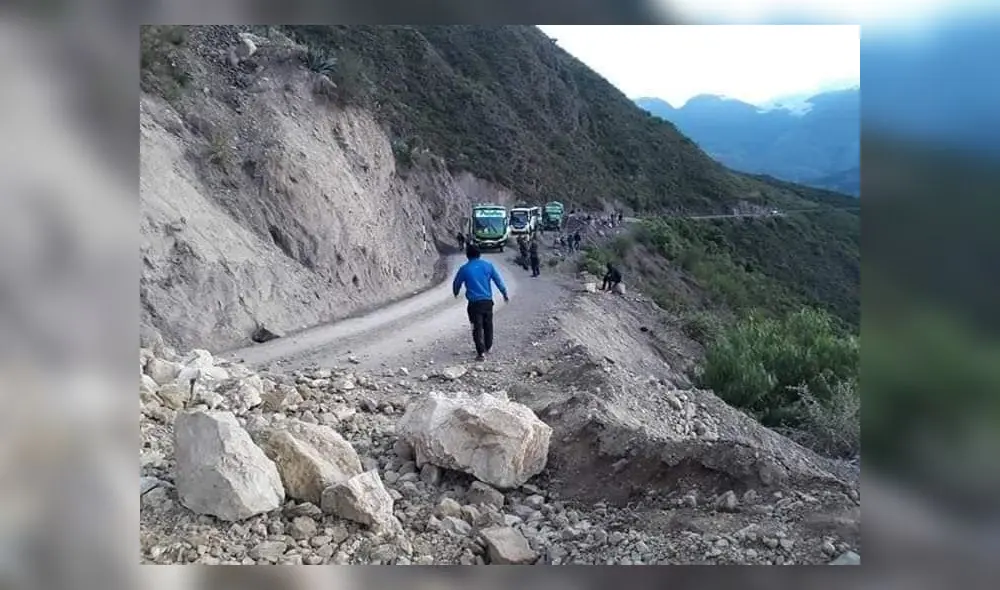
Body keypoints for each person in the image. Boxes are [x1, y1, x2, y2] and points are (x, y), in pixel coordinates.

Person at [453, 244, 509, 361]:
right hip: (487, 302)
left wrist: (456, 292)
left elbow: (456, 283)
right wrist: (504, 293)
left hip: (474, 304)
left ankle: (481, 353)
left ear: (467, 255)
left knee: (476, 327)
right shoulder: (488, 266)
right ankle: (488, 346)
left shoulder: (464, 269)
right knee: (488, 325)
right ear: (479, 254)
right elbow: (498, 280)